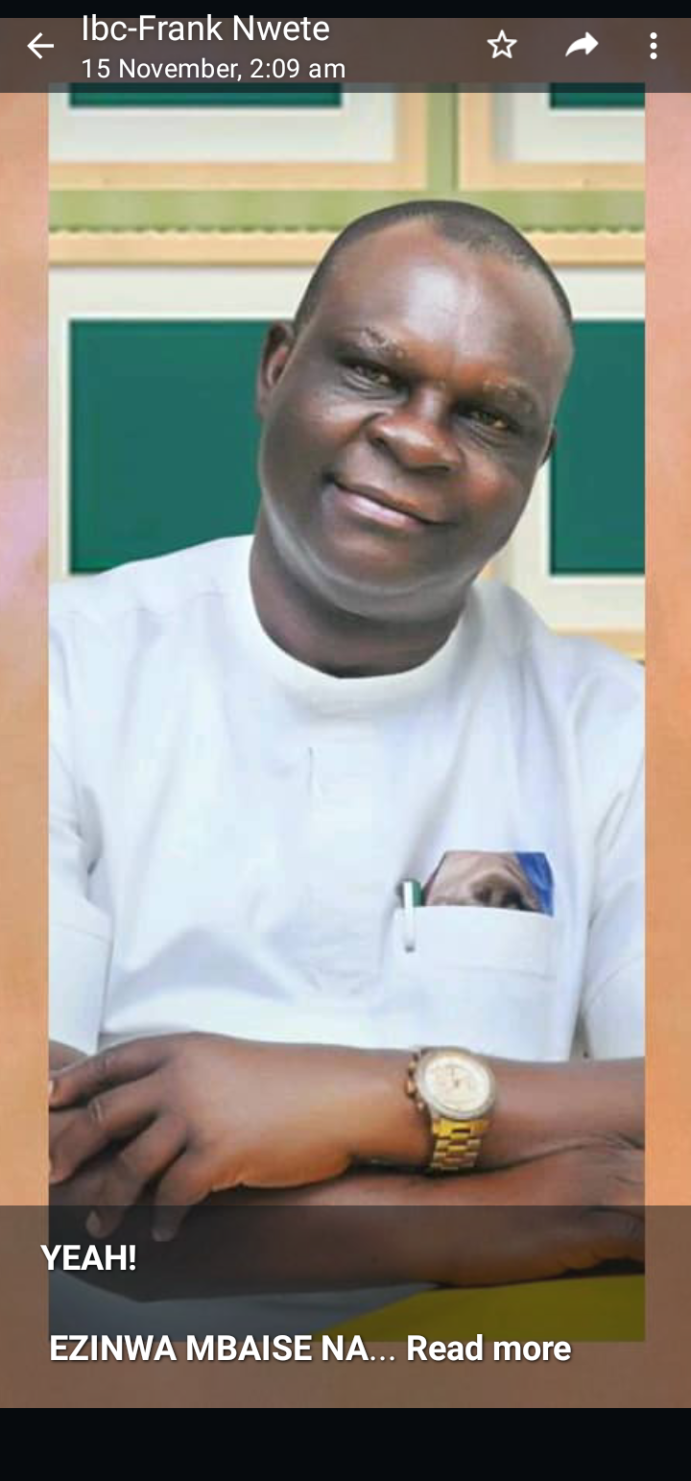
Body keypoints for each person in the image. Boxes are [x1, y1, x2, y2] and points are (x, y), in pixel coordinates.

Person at [48, 201, 643, 1315]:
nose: (417, 439)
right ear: (276, 369)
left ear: (537, 463)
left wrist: (370, 1098)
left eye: (490, 417)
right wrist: (465, 1220)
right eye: (373, 372)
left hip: (504, 1370)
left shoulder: (622, 734)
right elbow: (34, 1200)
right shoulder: (54, 678)